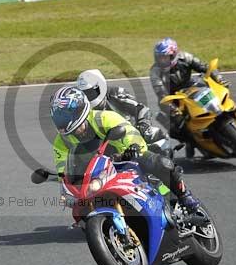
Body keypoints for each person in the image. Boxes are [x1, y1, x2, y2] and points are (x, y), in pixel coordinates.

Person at [49, 85, 201, 212]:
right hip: (97, 172)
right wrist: (65, 185)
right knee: (78, 205)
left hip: (126, 159)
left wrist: (133, 149)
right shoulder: (61, 140)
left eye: (65, 116)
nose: (63, 122)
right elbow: (62, 168)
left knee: (162, 164)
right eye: (59, 118)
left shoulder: (103, 118)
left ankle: (184, 195)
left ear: (79, 109)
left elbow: (131, 134)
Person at [149, 37, 230, 148]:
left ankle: (219, 112)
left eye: (165, 57)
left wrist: (219, 78)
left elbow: (205, 67)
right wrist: (171, 107)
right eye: (159, 58)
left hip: (191, 86)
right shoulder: (155, 71)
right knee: (174, 124)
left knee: (211, 91)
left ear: (173, 54)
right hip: (171, 96)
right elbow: (159, 91)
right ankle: (190, 141)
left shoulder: (185, 57)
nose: (162, 60)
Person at [76, 69, 167, 146]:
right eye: (84, 94)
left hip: (129, 137)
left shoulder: (115, 93)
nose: (87, 97)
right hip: (102, 145)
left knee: (152, 134)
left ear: (100, 86)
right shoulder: (81, 106)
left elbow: (141, 109)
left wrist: (143, 125)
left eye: (90, 92)